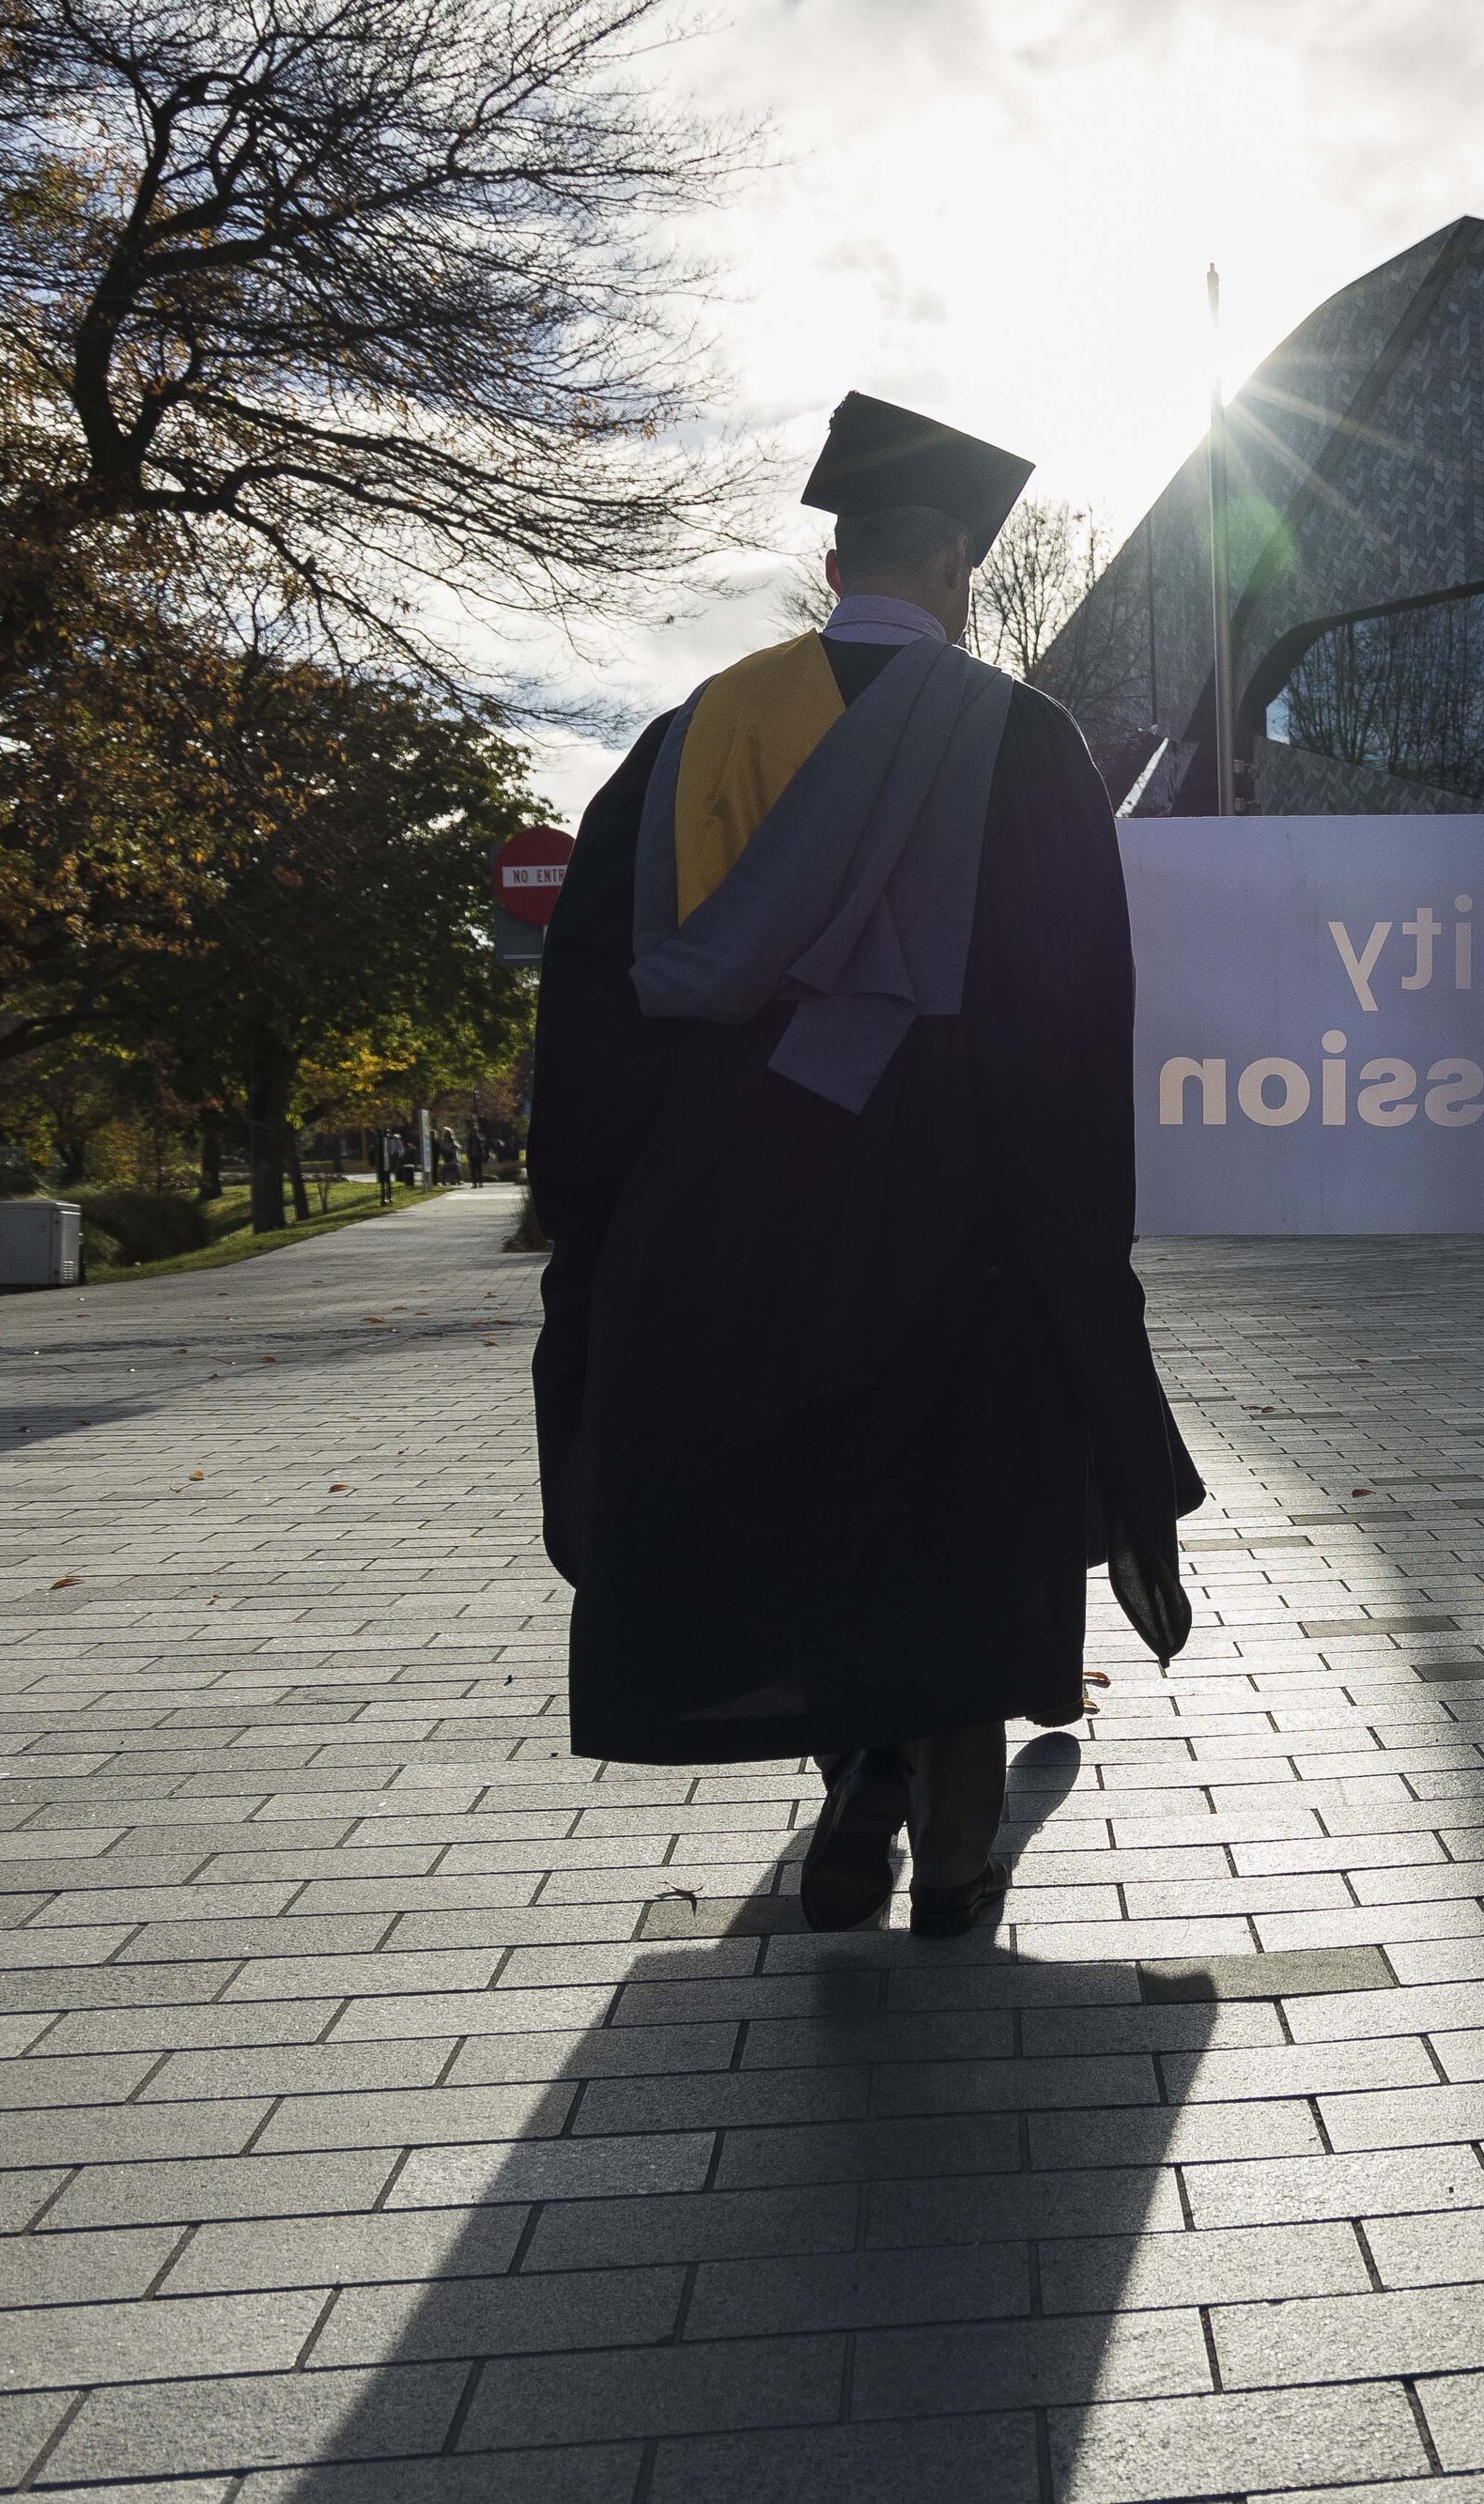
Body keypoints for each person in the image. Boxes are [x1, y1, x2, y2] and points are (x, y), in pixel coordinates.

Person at [530, 392, 1202, 1936]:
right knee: (949, 1509)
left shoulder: (693, 733)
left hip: (729, 1196)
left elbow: (590, 997)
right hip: (952, 1197)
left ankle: (854, 1789)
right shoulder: (1021, 741)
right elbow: (1067, 1020)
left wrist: (593, 1214)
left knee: (803, 1497)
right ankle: (954, 1843)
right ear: (956, 565)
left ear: (837, 567)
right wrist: (1074, 1240)